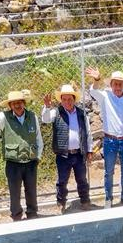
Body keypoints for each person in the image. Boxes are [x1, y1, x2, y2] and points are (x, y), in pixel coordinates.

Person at [0, 89, 43, 221]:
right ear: (10, 105)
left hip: (31, 160)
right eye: (14, 103)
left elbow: (38, 138)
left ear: (24, 103)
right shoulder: (4, 117)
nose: (17, 105)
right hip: (13, 162)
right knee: (14, 191)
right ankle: (16, 214)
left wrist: (38, 156)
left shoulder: (32, 116)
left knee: (31, 189)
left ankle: (32, 213)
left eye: (19, 102)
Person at [85, 68, 123, 207]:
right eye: (115, 84)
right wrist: (97, 79)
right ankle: (108, 198)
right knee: (109, 171)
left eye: (120, 84)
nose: (117, 87)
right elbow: (93, 91)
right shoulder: (105, 97)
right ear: (111, 85)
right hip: (110, 140)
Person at [40, 83, 94, 212]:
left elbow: (88, 132)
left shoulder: (81, 113)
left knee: (82, 179)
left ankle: (85, 201)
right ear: (61, 100)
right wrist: (46, 107)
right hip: (63, 154)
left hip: (79, 153)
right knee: (62, 180)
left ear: (74, 99)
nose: (67, 102)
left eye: (70, 99)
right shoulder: (55, 112)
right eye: (64, 99)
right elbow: (45, 119)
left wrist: (89, 150)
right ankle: (61, 203)